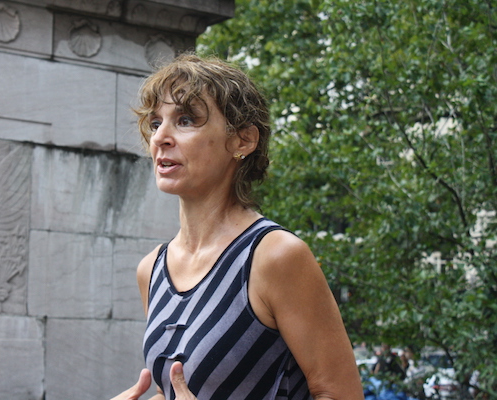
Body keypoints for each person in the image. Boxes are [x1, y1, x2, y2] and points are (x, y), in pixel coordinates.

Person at [112, 54, 363, 400]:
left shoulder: (275, 257)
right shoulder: (151, 269)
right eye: (156, 123)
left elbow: (341, 394)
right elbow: (176, 388)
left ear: (243, 140)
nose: (161, 137)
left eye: (185, 120)